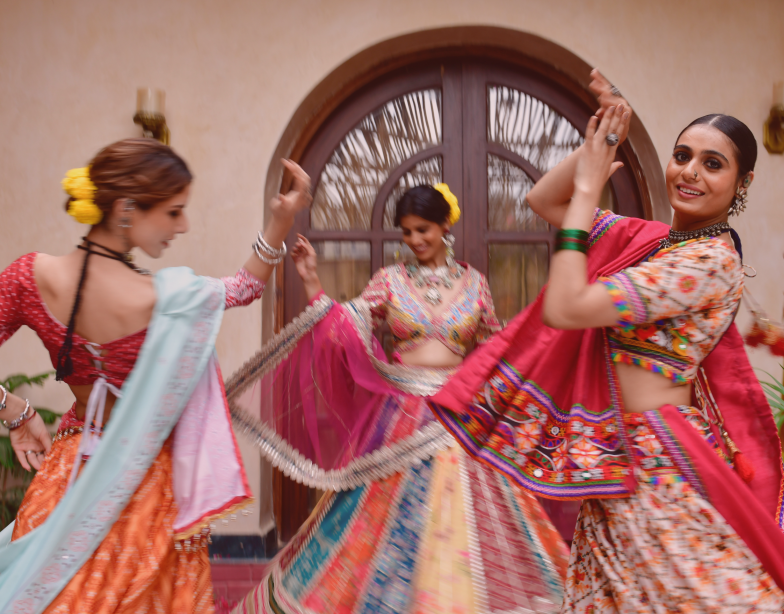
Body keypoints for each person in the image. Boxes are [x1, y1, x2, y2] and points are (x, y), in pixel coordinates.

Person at [429, 71, 784, 613]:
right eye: (682, 155)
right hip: (618, 455)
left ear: (743, 183)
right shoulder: (649, 243)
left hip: (662, 463)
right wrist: (605, 137)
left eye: (713, 164)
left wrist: (591, 188)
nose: (690, 172)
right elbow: (544, 199)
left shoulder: (709, 261)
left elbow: (567, 307)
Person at [0, 138, 310, 613]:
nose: (182, 226)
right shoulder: (165, 298)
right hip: (148, 488)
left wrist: (13, 411)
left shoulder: (28, 277)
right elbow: (246, 287)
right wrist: (280, 222)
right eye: (173, 212)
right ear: (126, 209)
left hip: (67, 476)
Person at [228, 184, 569, 614]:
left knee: (470, 516)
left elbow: (496, 346)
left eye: (423, 230)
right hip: (402, 415)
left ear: (446, 225)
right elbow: (346, 330)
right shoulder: (389, 281)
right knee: (379, 520)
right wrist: (312, 279)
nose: (414, 240)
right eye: (406, 233)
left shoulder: (475, 283)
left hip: (460, 411)